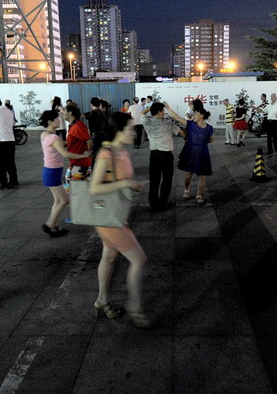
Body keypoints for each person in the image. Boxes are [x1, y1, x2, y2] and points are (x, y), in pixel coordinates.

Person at [89, 112, 151, 328]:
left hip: (116, 214)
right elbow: (94, 187)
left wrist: (130, 182)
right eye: (131, 129)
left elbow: (118, 178)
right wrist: (125, 185)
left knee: (109, 257)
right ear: (119, 131)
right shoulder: (107, 154)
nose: (135, 132)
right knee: (138, 259)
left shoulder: (120, 151)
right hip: (108, 218)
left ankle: (102, 301)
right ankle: (135, 306)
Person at [39, 110, 90, 237]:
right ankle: (49, 225)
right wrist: (82, 154)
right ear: (50, 122)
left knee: (58, 200)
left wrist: (70, 142)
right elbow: (65, 153)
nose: (59, 120)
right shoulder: (53, 137)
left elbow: (60, 146)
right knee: (64, 200)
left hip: (50, 170)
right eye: (57, 119)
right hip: (52, 172)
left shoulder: (45, 134)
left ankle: (53, 224)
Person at [164, 104, 214, 205]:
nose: (193, 116)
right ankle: (186, 189)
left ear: (202, 115)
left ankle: (199, 194)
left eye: (195, 114)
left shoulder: (209, 128)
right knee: (188, 176)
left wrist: (203, 142)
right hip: (191, 153)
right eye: (193, 114)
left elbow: (211, 139)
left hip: (203, 153)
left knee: (203, 177)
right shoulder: (190, 124)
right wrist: (168, 108)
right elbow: (177, 118)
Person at [141, 102, 186, 211]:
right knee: (167, 180)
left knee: (154, 180)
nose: (164, 112)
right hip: (166, 155)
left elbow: (142, 112)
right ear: (160, 111)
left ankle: (153, 204)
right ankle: (162, 203)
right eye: (163, 110)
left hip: (154, 155)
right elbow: (183, 134)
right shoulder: (168, 123)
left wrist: (151, 108)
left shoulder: (146, 121)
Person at [65, 104, 93, 181]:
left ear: (70, 113)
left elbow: (89, 141)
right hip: (75, 163)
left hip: (80, 165)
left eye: (64, 110)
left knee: (77, 189)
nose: (62, 113)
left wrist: (88, 153)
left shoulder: (78, 126)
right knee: (70, 188)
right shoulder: (73, 125)